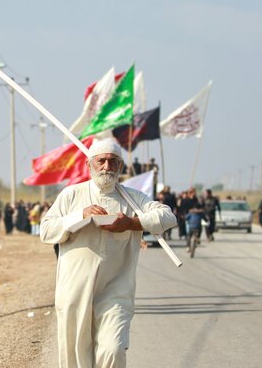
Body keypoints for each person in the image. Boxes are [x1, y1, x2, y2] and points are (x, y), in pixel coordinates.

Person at [40, 139, 177, 368]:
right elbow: (46, 231)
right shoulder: (71, 195)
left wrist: (132, 223)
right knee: (74, 359)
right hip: (75, 290)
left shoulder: (132, 199)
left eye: (113, 162)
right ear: (89, 164)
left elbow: (167, 216)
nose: (106, 166)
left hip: (115, 292)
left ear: (120, 167)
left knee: (113, 350)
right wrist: (79, 217)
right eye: (101, 161)